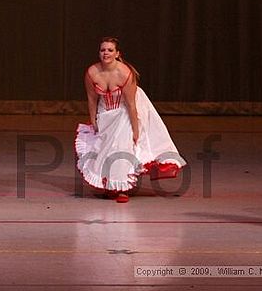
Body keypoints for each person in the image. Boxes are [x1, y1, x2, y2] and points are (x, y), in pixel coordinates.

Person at [75, 37, 186, 203]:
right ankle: (110, 186)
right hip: (105, 112)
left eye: (110, 50)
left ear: (117, 53)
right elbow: (92, 100)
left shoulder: (125, 73)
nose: (106, 53)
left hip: (124, 111)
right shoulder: (92, 72)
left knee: (121, 147)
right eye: (103, 50)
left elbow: (131, 105)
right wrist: (94, 121)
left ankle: (122, 189)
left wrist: (135, 129)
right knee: (104, 150)